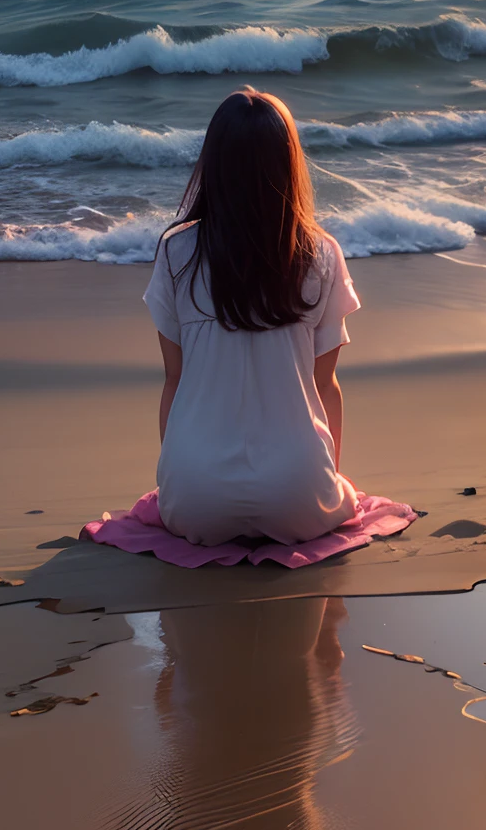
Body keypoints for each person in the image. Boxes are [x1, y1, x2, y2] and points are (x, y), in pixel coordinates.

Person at [143, 87, 361, 547]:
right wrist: (324, 484)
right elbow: (325, 389)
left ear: (213, 165)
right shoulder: (320, 253)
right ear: (289, 164)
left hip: (194, 500)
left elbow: (173, 382)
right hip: (298, 496)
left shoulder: (175, 252)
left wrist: (179, 486)